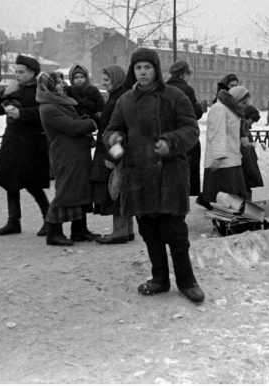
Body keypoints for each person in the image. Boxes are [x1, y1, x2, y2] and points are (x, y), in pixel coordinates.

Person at [104, 48, 204, 303]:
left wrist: (170, 143)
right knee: (149, 231)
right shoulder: (125, 100)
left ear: (156, 69)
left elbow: (191, 129)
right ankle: (160, 278)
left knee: (175, 232)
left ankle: (187, 280)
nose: (143, 72)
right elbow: (111, 131)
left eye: (147, 67)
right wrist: (116, 146)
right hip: (138, 175)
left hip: (169, 174)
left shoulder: (175, 96)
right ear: (133, 71)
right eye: (138, 68)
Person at [0, 55, 51, 237]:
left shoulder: (40, 90)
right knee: (10, 182)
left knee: (32, 184)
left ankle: (49, 219)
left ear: (32, 73)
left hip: (32, 143)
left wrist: (21, 114)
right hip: (12, 141)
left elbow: (44, 112)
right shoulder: (14, 88)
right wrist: (4, 94)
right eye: (16, 72)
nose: (17, 75)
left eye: (21, 72)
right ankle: (13, 221)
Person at [37, 72, 98, 246]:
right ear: (49, 86)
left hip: (76, 153)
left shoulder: (60, 102)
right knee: (66, 191)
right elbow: (72, 127)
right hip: (66, 154)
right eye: (58, 83)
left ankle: (79, 230)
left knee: (80, 189)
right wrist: (91, 123)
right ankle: (53, 232)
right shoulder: (49, 107)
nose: (62, 85)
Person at [91, 65, 134, 245]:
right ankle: (128, 230)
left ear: (116, 79)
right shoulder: (117, 96)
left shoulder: (119, 99)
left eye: (107, 79)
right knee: (118, 190)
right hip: (110, 151)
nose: (103, 83)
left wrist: (112, 157)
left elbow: (121, 132)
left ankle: (119, 232)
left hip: (112, 152)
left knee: (115, 191)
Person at [198, 86, 250, 209]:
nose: (244, 106)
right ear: (235, 99)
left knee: (233, 200)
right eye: (243, 103)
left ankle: (230, 225)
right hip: (222, 163)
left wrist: (241, 139)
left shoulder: (229, 110)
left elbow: (229, 133)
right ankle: (224, 225)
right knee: (225, 200)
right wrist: (218, 156)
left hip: (231, 160)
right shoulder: (219, 109)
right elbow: (217, 133)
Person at [167, 60, 204, 198]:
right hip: (187, 137)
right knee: (189, 170)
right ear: (184, 74)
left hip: (169, 136)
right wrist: (199, 106)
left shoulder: (164, 88)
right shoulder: (187, 90)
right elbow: (196, 113)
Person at [240, 103, 264, 200]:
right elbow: (246, 155)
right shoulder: (243, 132)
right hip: (245, 170)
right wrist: (252, 172)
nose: (252, 123)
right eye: (252, 120)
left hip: (246, 171)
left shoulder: (245, 131)